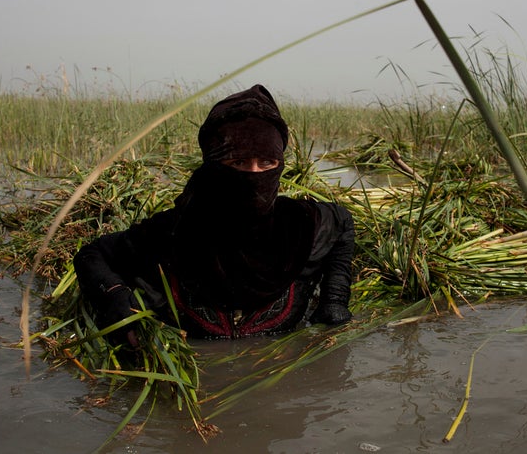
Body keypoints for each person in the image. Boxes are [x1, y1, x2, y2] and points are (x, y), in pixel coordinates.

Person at [73, 84, 354, 340]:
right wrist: (114, 295)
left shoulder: (299, 225)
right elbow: (91, 255)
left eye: (266, 162)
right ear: (213, 166)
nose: (254, 175)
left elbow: (343, 222)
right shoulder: (176, 232)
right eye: (239, 162)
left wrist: (335, 299)